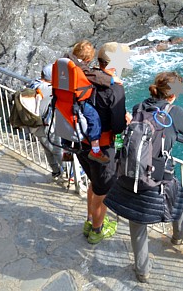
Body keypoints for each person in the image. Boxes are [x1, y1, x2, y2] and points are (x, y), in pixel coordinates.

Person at [104, 71, 183, 283]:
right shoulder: (174, 112)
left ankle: (142, 271)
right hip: (159, 177)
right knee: (178, 199)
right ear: (172, 95)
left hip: (131, 173)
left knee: (137, 219)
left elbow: (125, 137)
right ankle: (178, 239)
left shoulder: (139, 107)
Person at [74, 42, 128, 244]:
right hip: (102, 149)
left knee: (95, 184)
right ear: (115, 63)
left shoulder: (85, 76)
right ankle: (97, 230)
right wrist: (125, 118)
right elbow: (117, 127)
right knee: (103, 191)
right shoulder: (114, 89)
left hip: (82, 142)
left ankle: (90, 221)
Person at [67, 41, 119, 165]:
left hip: (64, 98)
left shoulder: (67, 61)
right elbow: (118, 123)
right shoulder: (116, 90)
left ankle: (67, 149)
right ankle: (95, 150)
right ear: (88, 59)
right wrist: (111, 80)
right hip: (77, 101)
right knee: (94, 118)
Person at [29, 64, 64, 182]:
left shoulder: (34, 83)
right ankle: (70, 174)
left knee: (47, 149)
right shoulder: (47, 88)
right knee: (58, 149)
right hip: (45, 126)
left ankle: (56, 171)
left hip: (35, 124)